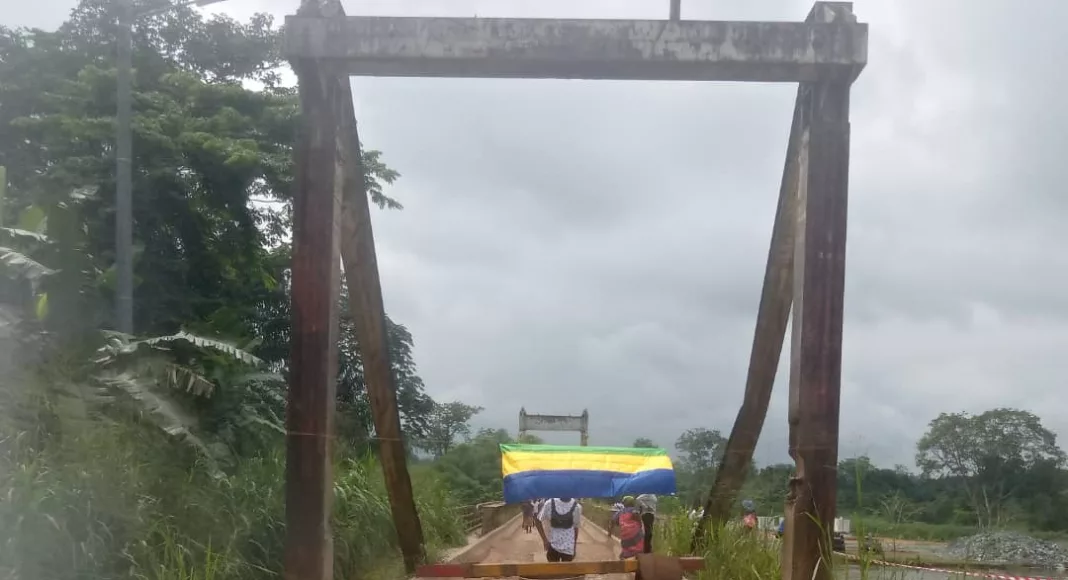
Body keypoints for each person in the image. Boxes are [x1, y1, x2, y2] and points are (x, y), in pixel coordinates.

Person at [535, 497, 582, 562]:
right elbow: (537, 520)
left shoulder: (577, 507)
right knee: (554, 571)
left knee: (565, 571)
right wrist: (545, 540)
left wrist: (574, 547)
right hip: (553, 546)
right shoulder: (549, 503)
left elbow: (575, 528)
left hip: (568, 549)